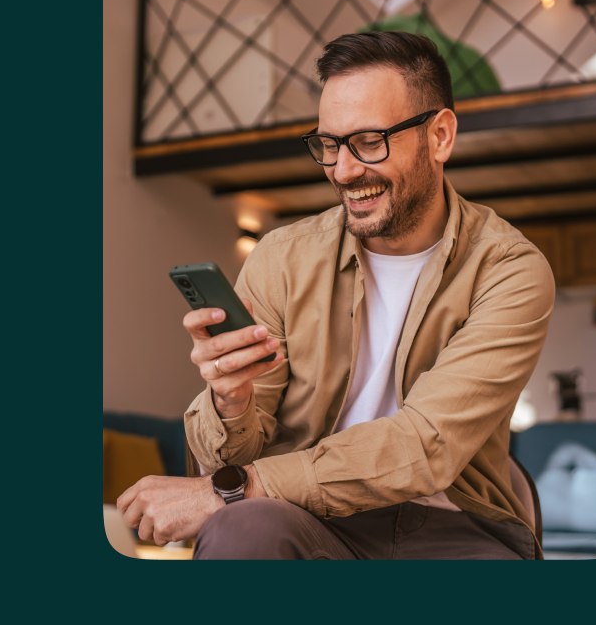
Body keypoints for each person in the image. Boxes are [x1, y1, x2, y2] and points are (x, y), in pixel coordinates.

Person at [117, 31, 555, 559]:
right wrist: (231, 401)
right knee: (243, 529)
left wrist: (232, 490)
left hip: (454, 527)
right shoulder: (280, 259)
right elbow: (233, 456)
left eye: (369, 141)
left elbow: (425, 446)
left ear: (439, 136)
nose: (344, 171)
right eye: (329, 145)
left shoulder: (510, 271)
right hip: (307, 518)